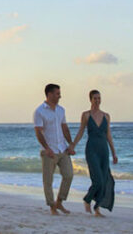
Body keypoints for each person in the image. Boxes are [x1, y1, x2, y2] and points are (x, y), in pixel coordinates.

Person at [67, 89, 117, 217]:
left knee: (105, 179)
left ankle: (97, 209)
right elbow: (80, 132)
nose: (97, 100)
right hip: (91, 150)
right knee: (98, 180)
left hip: (104, 150)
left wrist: (114, 153)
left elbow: (109, 135)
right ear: (90, 99)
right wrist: (73, 145)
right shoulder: (86, 115)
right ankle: (87, 199)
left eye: (99, 98)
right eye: (95, 98)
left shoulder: (106, 116)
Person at [34, 83, 75, 215]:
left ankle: (59, 202)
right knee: (48, 180)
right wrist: (47, 148)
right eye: (57, 94)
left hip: (62, 149)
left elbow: (65, 128)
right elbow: (38, 132)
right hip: (49, 151)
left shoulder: (61, 110)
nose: (60, 96)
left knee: (68, 175)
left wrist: (71, 144)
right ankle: (52, 206)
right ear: (50, 94)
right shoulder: (39, 111)